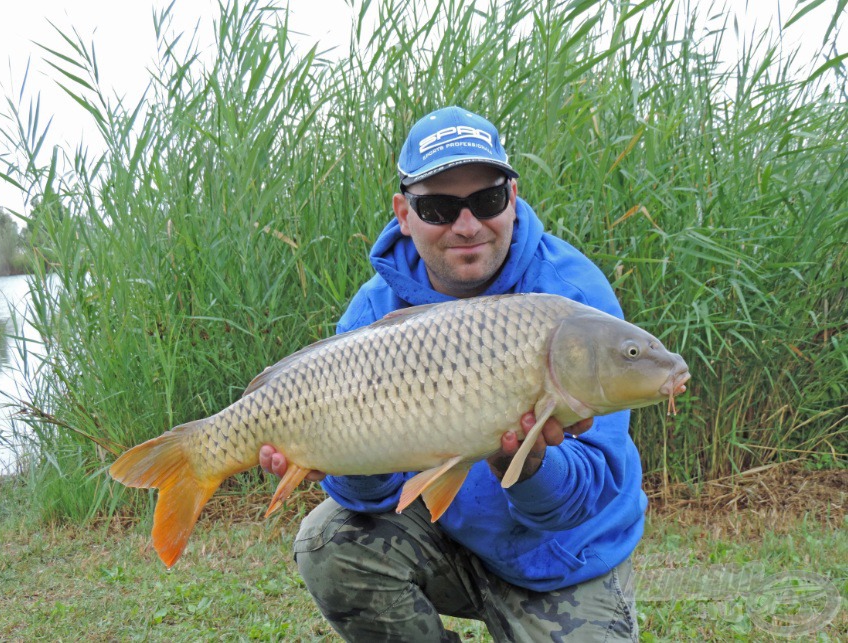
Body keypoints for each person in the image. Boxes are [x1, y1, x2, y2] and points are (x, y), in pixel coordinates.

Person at [260, 106, 643, 642]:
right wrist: (338, 457)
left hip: (559, 560)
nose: (467, 226)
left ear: (511, 197)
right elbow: (366, 497)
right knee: (329, 541)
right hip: (444, 536)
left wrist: (527, 468)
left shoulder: (571, 305)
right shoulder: (375, 313)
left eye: (485, 201)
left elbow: (584, 498)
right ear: (404, 213)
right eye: (439, 207)